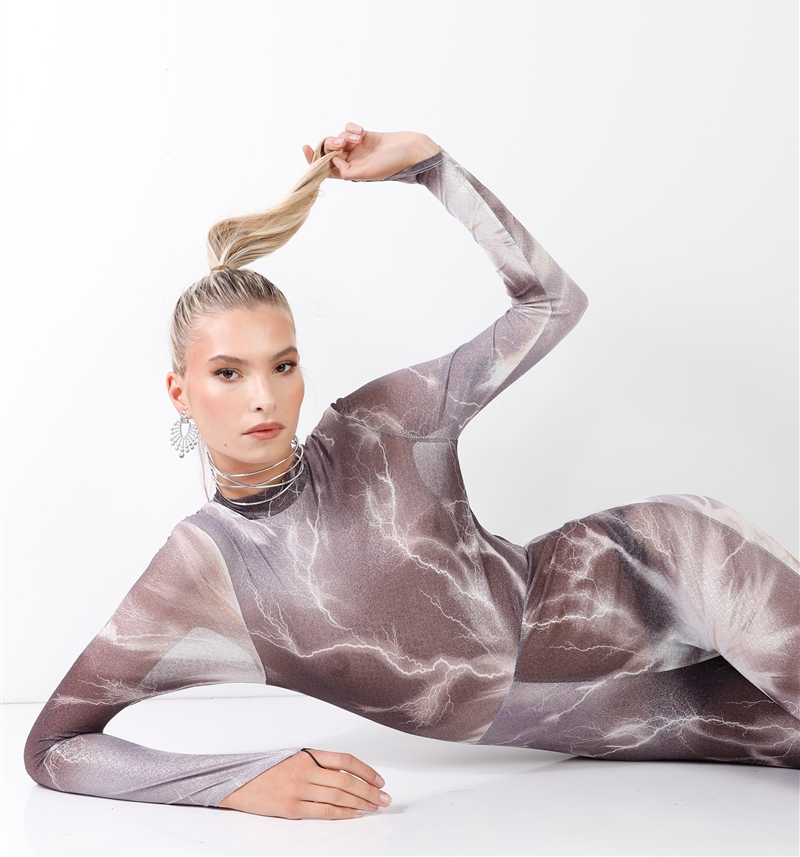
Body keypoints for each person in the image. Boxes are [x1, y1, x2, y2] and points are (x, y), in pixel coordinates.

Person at [25, 125, 800, 820]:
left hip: (672, 569)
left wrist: (431, 167)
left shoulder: (379, 427)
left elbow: (551, 304)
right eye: (228, 373)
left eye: (282, 365)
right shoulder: (199, 573)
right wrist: (239, 782)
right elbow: (55, 746)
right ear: (180, 391)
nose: (264, 397)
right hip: (621, 719)